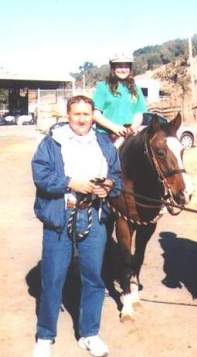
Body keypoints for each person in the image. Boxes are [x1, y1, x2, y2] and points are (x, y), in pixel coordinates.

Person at [31, 95, 122, 357]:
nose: (82, 119)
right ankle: (45, 336)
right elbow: (41, 175)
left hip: (93, 216)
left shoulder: (104, 143)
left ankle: (89, 334)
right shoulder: (52, 143)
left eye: (86, 114)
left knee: (94, 277)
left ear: (93, 115)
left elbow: (116, 176)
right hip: (62, 216)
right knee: (53, 278)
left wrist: (108, 187)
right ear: (68, 115)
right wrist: (70, 182)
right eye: (77, 114)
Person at [92, 54, 147, 141]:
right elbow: (95, 114)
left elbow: (138, 113)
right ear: (113, 68)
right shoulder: (102, 87)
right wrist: (115, 128)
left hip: (128, 134)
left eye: (126, 67)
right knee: (110, 154)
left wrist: (133, 127)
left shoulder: (136, 88)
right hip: (106, 135)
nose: (123, 70)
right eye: (119, 66)